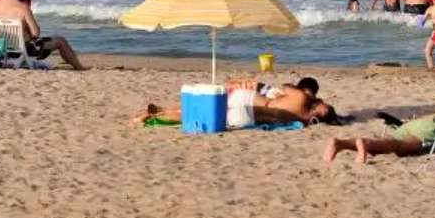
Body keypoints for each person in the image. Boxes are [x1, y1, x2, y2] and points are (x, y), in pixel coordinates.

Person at [324, 90, 435, 164]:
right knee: (399, 148)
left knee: (389, 142)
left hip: (418, 122)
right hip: (434, 129)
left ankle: (340, 143)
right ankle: (364, 143)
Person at [132, 79, 340, 128]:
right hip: (251, 103)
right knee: (207, 110)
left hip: (250, 102)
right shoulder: (304, 107)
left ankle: (158, 114)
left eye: (326, 107)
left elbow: (286, 85)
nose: (326, 104)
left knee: (207, 110)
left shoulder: (303, 106)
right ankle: (158, 114)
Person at [0, 0, 86, 70]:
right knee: (60, 41)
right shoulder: (22, 8)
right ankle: (79, 67)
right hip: (25, 51)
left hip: (1, 52)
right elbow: (36, 33)